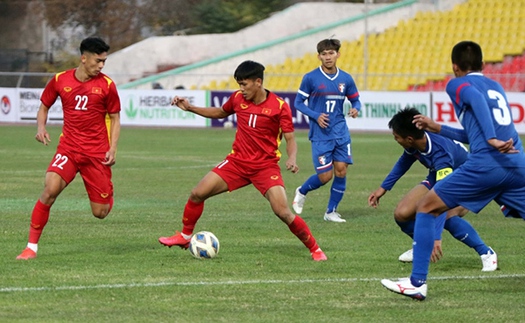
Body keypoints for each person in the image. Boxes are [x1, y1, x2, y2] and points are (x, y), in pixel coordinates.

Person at [381, 41, 525, 300]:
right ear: (483, 65)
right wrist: (438, 128)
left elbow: (475, 99)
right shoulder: (497, 87)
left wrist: (491, 138)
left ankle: (417, 283)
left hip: (485, 164)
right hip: (517, 164)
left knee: (427, 206)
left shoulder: (457, 84)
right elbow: (472, 134)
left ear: (455, 67)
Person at [158, 60, 327, 261]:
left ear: (258, 82)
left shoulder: (279, 107)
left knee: (282, 212)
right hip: (237, 163)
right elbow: (220, 112)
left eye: (244, 84)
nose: (241, 89)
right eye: (239, 84)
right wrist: (190, 108)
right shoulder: (238, 99)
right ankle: (185, 237)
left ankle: (315, 249)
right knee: (197, 193)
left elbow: (290, 138)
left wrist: (292, 158)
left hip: (265, 167)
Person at [16, 37, 121, 260]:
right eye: (98, 60)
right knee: (49, 190)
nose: (101, 65)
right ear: (84, 58)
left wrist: (113, 148)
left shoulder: (107, 86)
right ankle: (30, 248)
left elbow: (115, 117)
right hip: (69, 149)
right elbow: (44, 106)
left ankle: (107, 192)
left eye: (104, 61)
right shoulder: (59, 80)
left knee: (100, 213)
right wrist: (41, 127)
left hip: (96, 154)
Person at [368, 107, 497, 270]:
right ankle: (421, 245)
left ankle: (486, 252)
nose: (395, 139)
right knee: (402, 213)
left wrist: (436, 237)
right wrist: (383, 188)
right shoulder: (415, 141)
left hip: (469, 179)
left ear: (408, 139)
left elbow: (444, 195)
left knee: (447, 215)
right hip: (439, 175)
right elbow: (405, 161)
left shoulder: (440, 152)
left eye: (396, 137)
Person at [292, 38, 361, 223]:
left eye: (331, 53)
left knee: (341, 171)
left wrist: (356, 108)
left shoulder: (346, 79)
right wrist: (315, 115)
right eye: (324, 54)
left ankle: (331, 212)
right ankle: (302, 191)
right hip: (320, 135)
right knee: (324, 176)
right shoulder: (310, 78)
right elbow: (298, 103)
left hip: (340, 132)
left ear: (338, 54)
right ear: (318, 56)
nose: (328, 57)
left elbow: (356, 100)